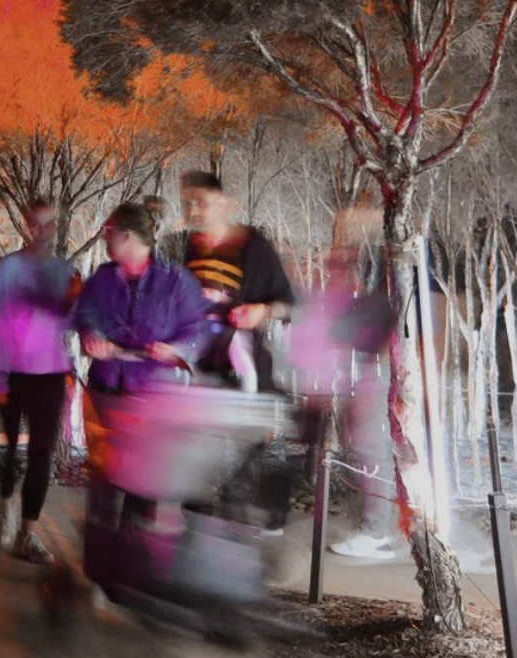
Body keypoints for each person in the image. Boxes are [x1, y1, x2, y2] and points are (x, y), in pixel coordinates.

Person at [73, 201, 213, 601]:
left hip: (151, 400)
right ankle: (99, 578)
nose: (105, 238)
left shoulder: (175, 282)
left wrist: (176, 348)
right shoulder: (101, 280)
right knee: (103, 486)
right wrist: (91, 337)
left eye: (110, 232)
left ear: (127, 236)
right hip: (107, 394)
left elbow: (197, 331)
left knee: (145, 489)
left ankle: (136, 580)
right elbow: (86, 317)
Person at [287, 235, 400, 560]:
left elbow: (375, 344)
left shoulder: (372, 301)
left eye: (337, 262)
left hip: (373, 381)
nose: (328, 267)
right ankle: (375, 528)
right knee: (366, 451)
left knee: (371, 451)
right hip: (362, 381)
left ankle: (377, 533)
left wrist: (367, 381)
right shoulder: (349, 300)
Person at [0, 200, 78, 564]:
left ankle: (28, 533)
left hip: (51, 374)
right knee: (10, 452)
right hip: (13, 372)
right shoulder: (9, 268)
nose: (42, 231)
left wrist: (74, 306)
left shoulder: (62, 271)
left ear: (55, 226)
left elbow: (65, 322)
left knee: (41, 455)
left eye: (48, 225)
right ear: (27, 225)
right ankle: (5, 512)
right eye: (35, 224)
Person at [166, 171, 296, 393]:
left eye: (200, 202)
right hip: (192, 370)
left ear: (222, 203)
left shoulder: (254, 248)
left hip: (242, 369)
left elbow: (290, 307)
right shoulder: (179, 248)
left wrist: (261, 311)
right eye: (187, 204)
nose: (193, 211)